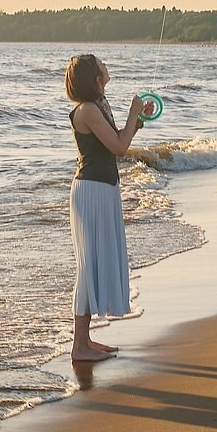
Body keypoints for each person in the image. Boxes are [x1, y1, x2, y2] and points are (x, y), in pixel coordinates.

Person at [65, 53, 151, 364]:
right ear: (95, 76)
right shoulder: (87, 110)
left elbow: (118, 139)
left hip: (104, 187)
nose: (106, 65)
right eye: (101, 64)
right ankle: (79, 347)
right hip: (91, 191)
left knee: (95, 263)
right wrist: (132, 114)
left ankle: (86, 340)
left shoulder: (98, 105)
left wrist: (138, 119)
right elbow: (119, 147)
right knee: (88, 267)